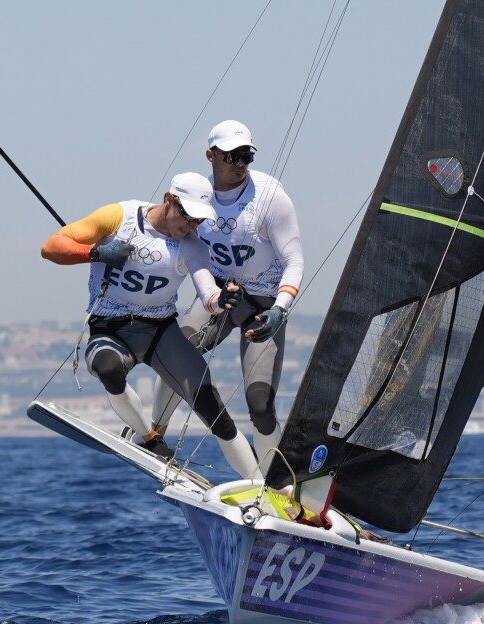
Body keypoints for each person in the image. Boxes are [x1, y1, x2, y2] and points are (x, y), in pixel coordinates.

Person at [40, 173, 260, 479]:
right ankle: (149, 439)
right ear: (170, 200)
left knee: (213, 408)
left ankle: (262, 486)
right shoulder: (118, 217)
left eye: (199, 221)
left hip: (160, 333)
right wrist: (97, 252)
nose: (192, 226)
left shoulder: (193, 246)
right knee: (107, 369)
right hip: (110, 329)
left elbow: (207, 291)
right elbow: (51, 246)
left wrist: (221, 300)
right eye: (188, 217)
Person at [147, 120, 304, 469]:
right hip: (221, 296)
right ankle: (153, 435)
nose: (240, 164)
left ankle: (274, 481)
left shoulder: (269, 196)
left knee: (260, 404)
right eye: (232, 157)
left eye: (246, 155)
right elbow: (164, 229)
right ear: (211, 155)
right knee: (179, 350)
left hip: (264, 307)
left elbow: (295, 260)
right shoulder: (197, 196)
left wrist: (280, 308)